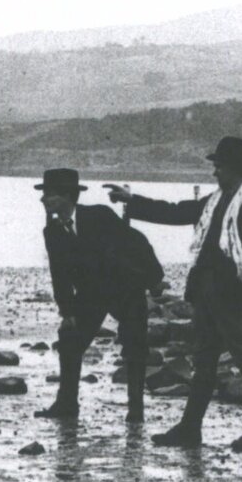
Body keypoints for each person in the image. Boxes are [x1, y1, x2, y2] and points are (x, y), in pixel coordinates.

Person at [108, 136, 242, 452]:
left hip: (234, 300)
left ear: (236, 169)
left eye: (219, 166)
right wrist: (132, 201)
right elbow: (176, 212)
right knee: (203, 363)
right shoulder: (213, 202)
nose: (214, 172)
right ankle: (190, 429)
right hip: (205, 296)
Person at [35, 167, 164, 421]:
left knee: (135, 347)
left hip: (126, 289)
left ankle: (136, 410)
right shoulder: (52, 231)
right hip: (90, 295)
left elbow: (137, 242)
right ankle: (67, 405)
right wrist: (67, 312)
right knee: (69, 341)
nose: (43, 199)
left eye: (49, 194)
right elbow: (59, 274)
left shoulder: (99, 215)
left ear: (67, 196)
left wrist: (154, 279)